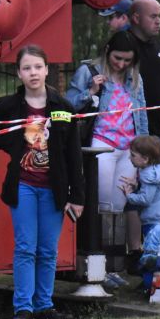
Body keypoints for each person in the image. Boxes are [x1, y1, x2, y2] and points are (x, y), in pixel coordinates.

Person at [0, 45, 85, 319]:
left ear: (47, 70)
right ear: (18, 73)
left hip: (54, 189)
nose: (33, 73)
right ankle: (23, 308)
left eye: (38, 67)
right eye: (27, 68)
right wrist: (15, 141)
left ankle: (44, 305)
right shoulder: (8, 106)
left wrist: (77, 195)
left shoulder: (63, 107)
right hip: (23, 185)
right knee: (26, 247)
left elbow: (74, 154)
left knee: (48, 249)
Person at [66, 30, 150, 285]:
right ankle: (94, 264)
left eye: (127, 60)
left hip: (129, 148)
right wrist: (91, 91)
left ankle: (113, 266)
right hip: (101, 143)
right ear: (107, 51)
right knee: (99, 204)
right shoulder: (88, 71)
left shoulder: (135, 78)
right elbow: (69, 105)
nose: (122, 64)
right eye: (117, 58)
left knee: (118, 206)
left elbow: (142, 114)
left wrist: (144, 149)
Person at [126, 0, 160, 137]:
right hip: (126, 134)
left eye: (159, 16)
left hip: (158, 134)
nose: (158, 21)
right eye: (153, 16)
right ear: (136, 18)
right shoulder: (122, 47)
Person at [121, 134, 160, 242]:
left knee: (153, 249)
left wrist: (129, 196)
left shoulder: (148, 175)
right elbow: (155, 192)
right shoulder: (159, 169)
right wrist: (137, 185)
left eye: (133, 155)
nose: (129, 158)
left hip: (152, 220)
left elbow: (145, 199)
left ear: (145, 159)